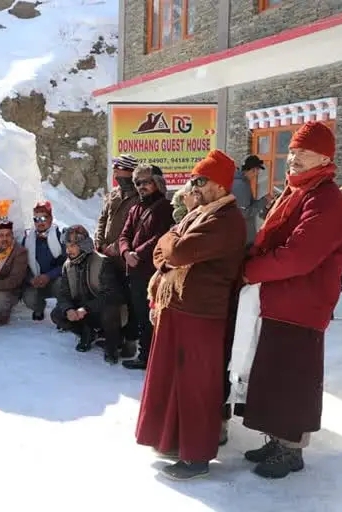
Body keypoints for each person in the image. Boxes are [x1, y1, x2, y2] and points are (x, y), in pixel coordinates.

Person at [240, 122, 342, 479]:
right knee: (273, 377)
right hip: (282, 301)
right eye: (293, 152)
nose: (294, 159)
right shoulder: (300, 191)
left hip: (303, 306)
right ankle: (276, 439)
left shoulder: (326, 199)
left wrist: (252, 270)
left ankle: (292, 450)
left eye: (303, 153)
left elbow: (299, 256)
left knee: (294, 381)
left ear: (325, 157)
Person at [135, 149, 246, 481]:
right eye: (193, 179)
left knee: (197, 385)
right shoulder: (198, 214)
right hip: (180, 308)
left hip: (202, 314)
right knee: (173, 382)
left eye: (201, 180)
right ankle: (173, 441)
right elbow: (161, 251)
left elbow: (178, 250)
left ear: (221, 186)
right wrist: (173, 241)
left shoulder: (225, 220)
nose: (193, 186)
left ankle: (196, 455)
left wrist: (173, 242)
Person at [118, 164, 174, 369]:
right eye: (138, 182)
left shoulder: (166, 208)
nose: (141, 186)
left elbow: (160, 238)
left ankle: (150, 357)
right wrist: (125, 252)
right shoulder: (135, 208)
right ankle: (145, 354)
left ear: (157, 182)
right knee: (141, 315)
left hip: (152, 272)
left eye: (146, 182)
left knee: (151, 315)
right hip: (134, 270)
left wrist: (137, 254)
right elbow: (124, 235)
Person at [51, 225, 125, 363]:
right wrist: (68, 309)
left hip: (100, 310)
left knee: (110, 310)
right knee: (57, 314)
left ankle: (112, 345)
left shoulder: (103, 262)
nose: (68, 250)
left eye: (72, 245)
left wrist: (86, 309)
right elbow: (63, 293)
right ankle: (87, 333)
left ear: (83, 245)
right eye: (67, 246)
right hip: (81, 311)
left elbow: (112, 294)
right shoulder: (68, 265)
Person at [94, 154, 141, 356]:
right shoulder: (113, 194)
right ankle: (113, 338)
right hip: (108, 260)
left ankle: (130, 341)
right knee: (111, 300)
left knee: (132, 302)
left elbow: (136, 230)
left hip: (126, 258)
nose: (115, 174)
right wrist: (99, 240)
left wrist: (115, 246)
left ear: (129, 172)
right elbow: (103, 219)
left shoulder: (139, 198)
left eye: (119, 170)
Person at [21, 201, 65, 321]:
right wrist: (31, 279)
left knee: (63, 286)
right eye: (36, 219)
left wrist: (49, 276)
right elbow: (22, 265)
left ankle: (62, 311)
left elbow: (67, 264)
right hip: (35, 281)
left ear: (51, 218)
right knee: (29, 298)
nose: (40, 222)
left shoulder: (60, 237)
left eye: (43, 218)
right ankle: (39, 308)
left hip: (54, 280)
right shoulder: (27, 239)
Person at [231, 155, 270, 246]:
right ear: (253, 170)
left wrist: (263, 202)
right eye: (257, 171)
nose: (256, 174)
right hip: (243, 238)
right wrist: (264, 200)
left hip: (242, 236)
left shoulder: (241, 182)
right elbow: (245, 213)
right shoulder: (240, 185)